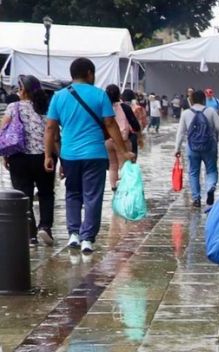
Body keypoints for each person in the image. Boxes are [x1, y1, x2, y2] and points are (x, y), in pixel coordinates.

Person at [44, 58, 134, 254]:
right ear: (89, 73)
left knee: (73, 194)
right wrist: (123, 151)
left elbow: (51, 128)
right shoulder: (100, 95)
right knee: (93, 196)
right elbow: (110, 125)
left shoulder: (59, 97)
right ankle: (87, 239)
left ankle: (73, 234)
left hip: (69, 155)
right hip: (95, 155)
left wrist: (48, 155)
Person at [1, 75, 54, 245]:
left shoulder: (13, 107)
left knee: (25, 195)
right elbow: (53, 133)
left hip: (19, 157)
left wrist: (5, 155)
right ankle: (45, 227)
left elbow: (4, 132)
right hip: (43, 156)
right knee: (46, 194)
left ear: (23, 89)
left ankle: (30, 234)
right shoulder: (46, 108)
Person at [175, 89, 219, 210]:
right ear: (204, 99)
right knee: (211, 170)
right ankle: (210, 188)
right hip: (209, 146)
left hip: (192, 147)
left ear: (192, 100)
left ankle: (196, 199)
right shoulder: (210, 111)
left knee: (194, 172)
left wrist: (177, 148)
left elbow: (180, 132)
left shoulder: (186, 113)